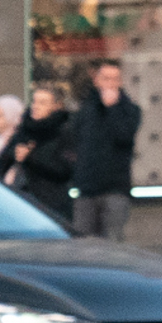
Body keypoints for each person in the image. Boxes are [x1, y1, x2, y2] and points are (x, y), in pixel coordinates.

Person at [68, 60, 141, 239]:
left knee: (112, 241)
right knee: (83, 242)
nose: (110, 83)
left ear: (121, 82)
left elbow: (124, 136)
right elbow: (73, 138)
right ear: (97, 81)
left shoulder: (130, 110)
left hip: (115, 189)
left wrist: (113, 109)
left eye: (115, 79)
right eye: (106, 78)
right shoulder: (86, 109)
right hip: (87, 188)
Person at [7, 85, 75, 220]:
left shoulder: (66, 132)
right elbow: (3, 161)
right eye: (34, 101)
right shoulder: (24, 130)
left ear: (56, 106)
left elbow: (64, 169)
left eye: (42, 103)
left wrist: (31, 157)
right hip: (22, 201)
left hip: (53, 204)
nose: (35, 106)